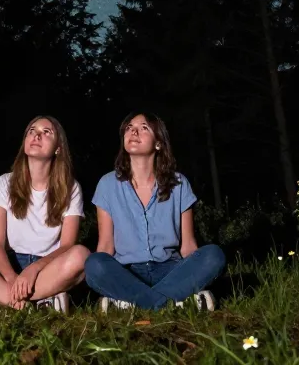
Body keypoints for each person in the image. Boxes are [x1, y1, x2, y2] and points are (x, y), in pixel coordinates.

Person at [0, 115, 89, 314]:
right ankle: (32, 302)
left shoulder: (71, 188)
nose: (37, 135)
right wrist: (11, 278)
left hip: (47, 268)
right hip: (7, 266)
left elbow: (67, 246)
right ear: (25, 142)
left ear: (58, 148)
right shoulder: (4, 183)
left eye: (46, 132)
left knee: (81, 256)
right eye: (32, 131)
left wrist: (33, 270)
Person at [85, 111, 225, 311]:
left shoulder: (179, 184)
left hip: (170, 270)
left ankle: (133, 302)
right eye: (129, 128)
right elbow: (106, 246)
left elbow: (188, 246)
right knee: (94, 264)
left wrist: (197, 268)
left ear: (158, 143)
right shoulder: (107, 184)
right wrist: (101, 272)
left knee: (214, 255)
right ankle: (172, 301)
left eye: (143, 128)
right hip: (127, 272)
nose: (134, 131)